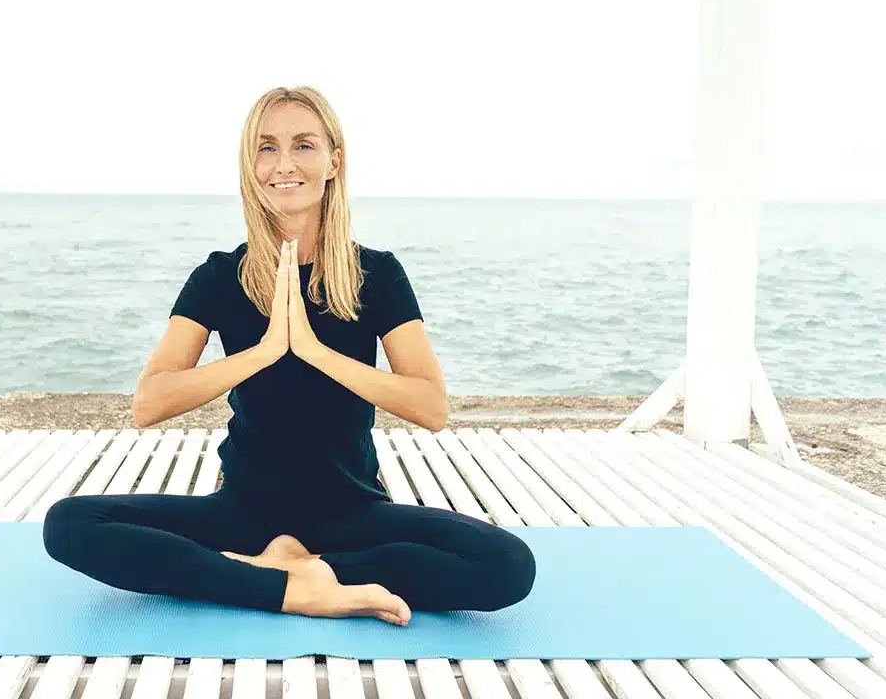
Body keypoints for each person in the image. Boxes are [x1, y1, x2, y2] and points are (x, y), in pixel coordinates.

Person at [43, 86, 536, 625]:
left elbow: (431, 407)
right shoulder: (218, 277)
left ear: (333, 161)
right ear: (250, 165)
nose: (284, 164)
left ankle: (293, 572)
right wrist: (265, 351)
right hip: (243, 511)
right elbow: (150, 402)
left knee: (509, 564)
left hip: (351, 510)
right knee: (68, 523)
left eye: (303, 145)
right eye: (266, 147)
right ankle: (297, 588)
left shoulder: (378, 274)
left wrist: (313, 350)